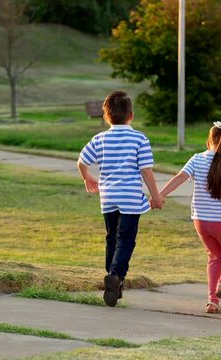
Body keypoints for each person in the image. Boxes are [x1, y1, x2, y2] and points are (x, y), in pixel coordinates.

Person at [77, 90, 163, 307]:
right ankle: (115, 276)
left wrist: (87, 179)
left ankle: (114, 281)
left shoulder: (100, 138)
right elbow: (146, 171)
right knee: (125, 240)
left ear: (106, 116)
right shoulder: (139, 138)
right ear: (131, 115)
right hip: (130, 199)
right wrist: (156, 196)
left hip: (108, 197)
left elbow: (81, 162)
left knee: (111, 238)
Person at [158, 122, 221, 314]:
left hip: (200, 221)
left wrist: (160, 195)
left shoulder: (197, 159)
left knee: (215, 257)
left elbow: (180, 177)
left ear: (208, 142)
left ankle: (213, 302)